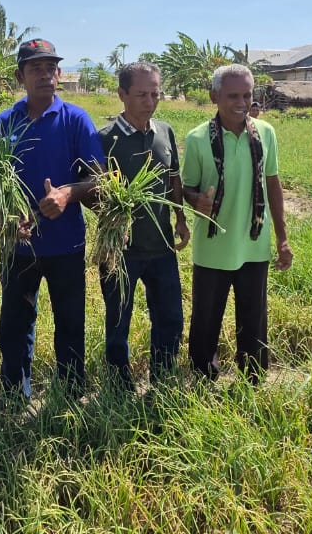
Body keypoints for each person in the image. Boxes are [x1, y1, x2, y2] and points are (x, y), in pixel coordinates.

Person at [0, 38, 104, 400]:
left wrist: (68, 193)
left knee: (70, 322)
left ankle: (70, 394)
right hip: (18, 246)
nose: (45, 75)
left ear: (59, 73)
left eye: (51, 68)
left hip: (66, 244)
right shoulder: (4, 123)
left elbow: (99, 179)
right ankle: (14, 395)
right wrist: (6, 218)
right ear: (19, 76)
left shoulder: (75, 120)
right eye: (35, 68)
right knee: (14, 323)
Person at [182, 64, 293, 385]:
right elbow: (187, 187)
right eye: (233, 96)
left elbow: (272, 184)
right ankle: (203, 377)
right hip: (212, 247)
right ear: (214, 96)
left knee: (253, 318)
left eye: (247, 95)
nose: (242, 102)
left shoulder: (265, 133)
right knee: (206, 318)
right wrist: (195, 199)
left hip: (253, 245)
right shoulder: (197, 138)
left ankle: (252, 380)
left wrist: (282, 238)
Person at [96, 63, 191, 390]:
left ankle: (162, 380)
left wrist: (180, 218)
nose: (150, 102)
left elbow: (173, 177)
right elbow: (93, 190)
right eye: (141, 95)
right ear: (122, 94)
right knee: (118, 320)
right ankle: (118, 385)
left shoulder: (164, 132)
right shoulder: (105, 139)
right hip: (120, 251)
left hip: (161, 246)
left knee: (170, 318)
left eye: (155, 94)